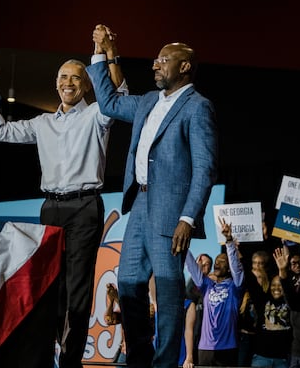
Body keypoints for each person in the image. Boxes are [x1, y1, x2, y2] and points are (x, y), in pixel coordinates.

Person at [0, 27, 127, 368]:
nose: (68, 82)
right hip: (51, 209)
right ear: (56, 83)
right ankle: (44, 357)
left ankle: (71, 362)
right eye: (63, 76)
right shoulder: (42, 123)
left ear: (87, 84)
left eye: (76, 77)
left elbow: (119, 93)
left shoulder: (97, 115)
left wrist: (104, 50)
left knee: (76, 290)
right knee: (47, 289)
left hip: (85, 206)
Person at [86, 27, 218, 368]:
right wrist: (101, 52)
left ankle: (164, 364)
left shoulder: (197, 107)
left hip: (171, 214)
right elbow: (110, 102)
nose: (156, 65)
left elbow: (205, 169)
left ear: (185, 66)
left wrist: (188, 218)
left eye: (164, 60)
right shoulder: (147, 101)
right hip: (140, 205)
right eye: (156, 60)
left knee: (169, 293)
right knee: (128, 285)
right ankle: (139, 360)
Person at [185, 217, 244, 366]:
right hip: (205, 348)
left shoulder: (234, 286)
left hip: (228, 347)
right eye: (216, 261)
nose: (217, 264)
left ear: (229, 267)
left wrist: (229, 240)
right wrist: (183, 240)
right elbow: (191, 266)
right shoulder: (207, 285)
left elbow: (236, 267)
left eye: (222, 262)